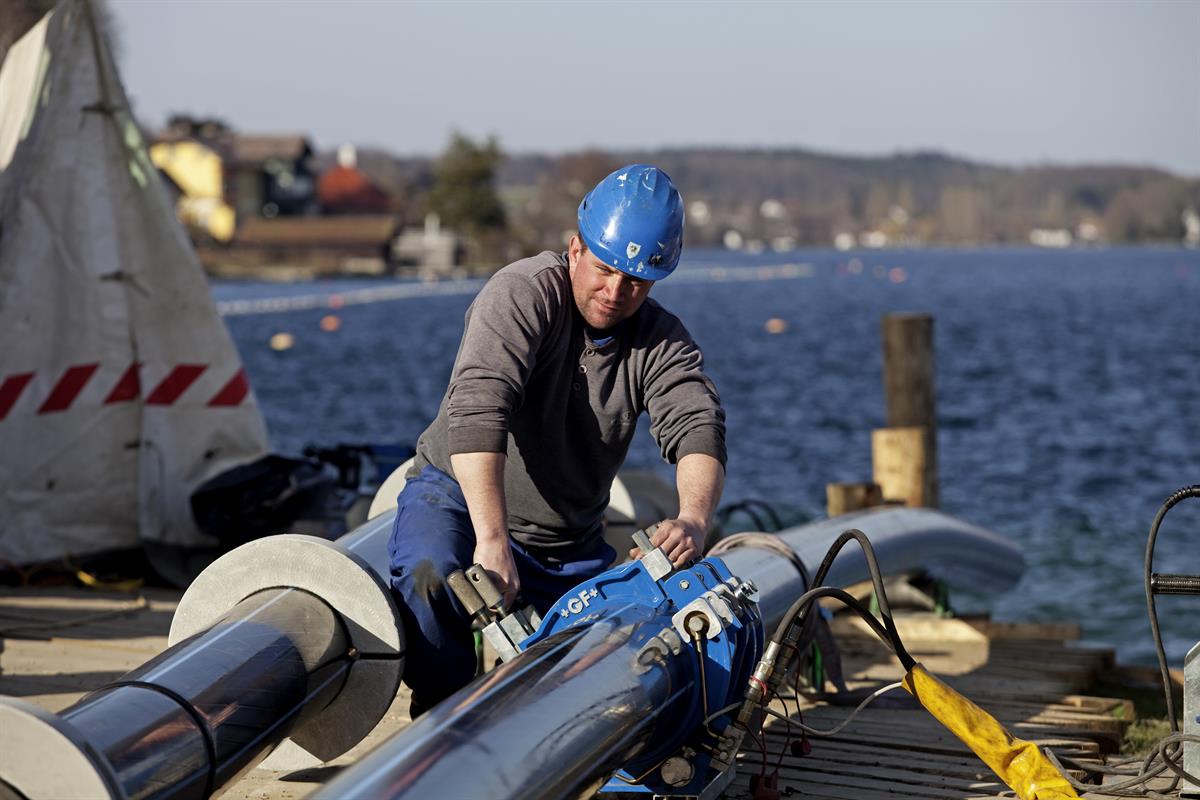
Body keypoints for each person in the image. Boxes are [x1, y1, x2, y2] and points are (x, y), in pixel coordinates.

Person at [387, 164, 727, 715]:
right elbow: (478, 411)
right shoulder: (520, 295)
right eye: (605, 269)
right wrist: (490, 539)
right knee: (430, 573)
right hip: (457, 499)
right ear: (576, 249)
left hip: (566, 540)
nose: (616, 291)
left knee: (602, 677)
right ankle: (441, 720)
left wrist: (692, 519)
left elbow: (698, 427)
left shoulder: (660, 341)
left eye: (637, 280)